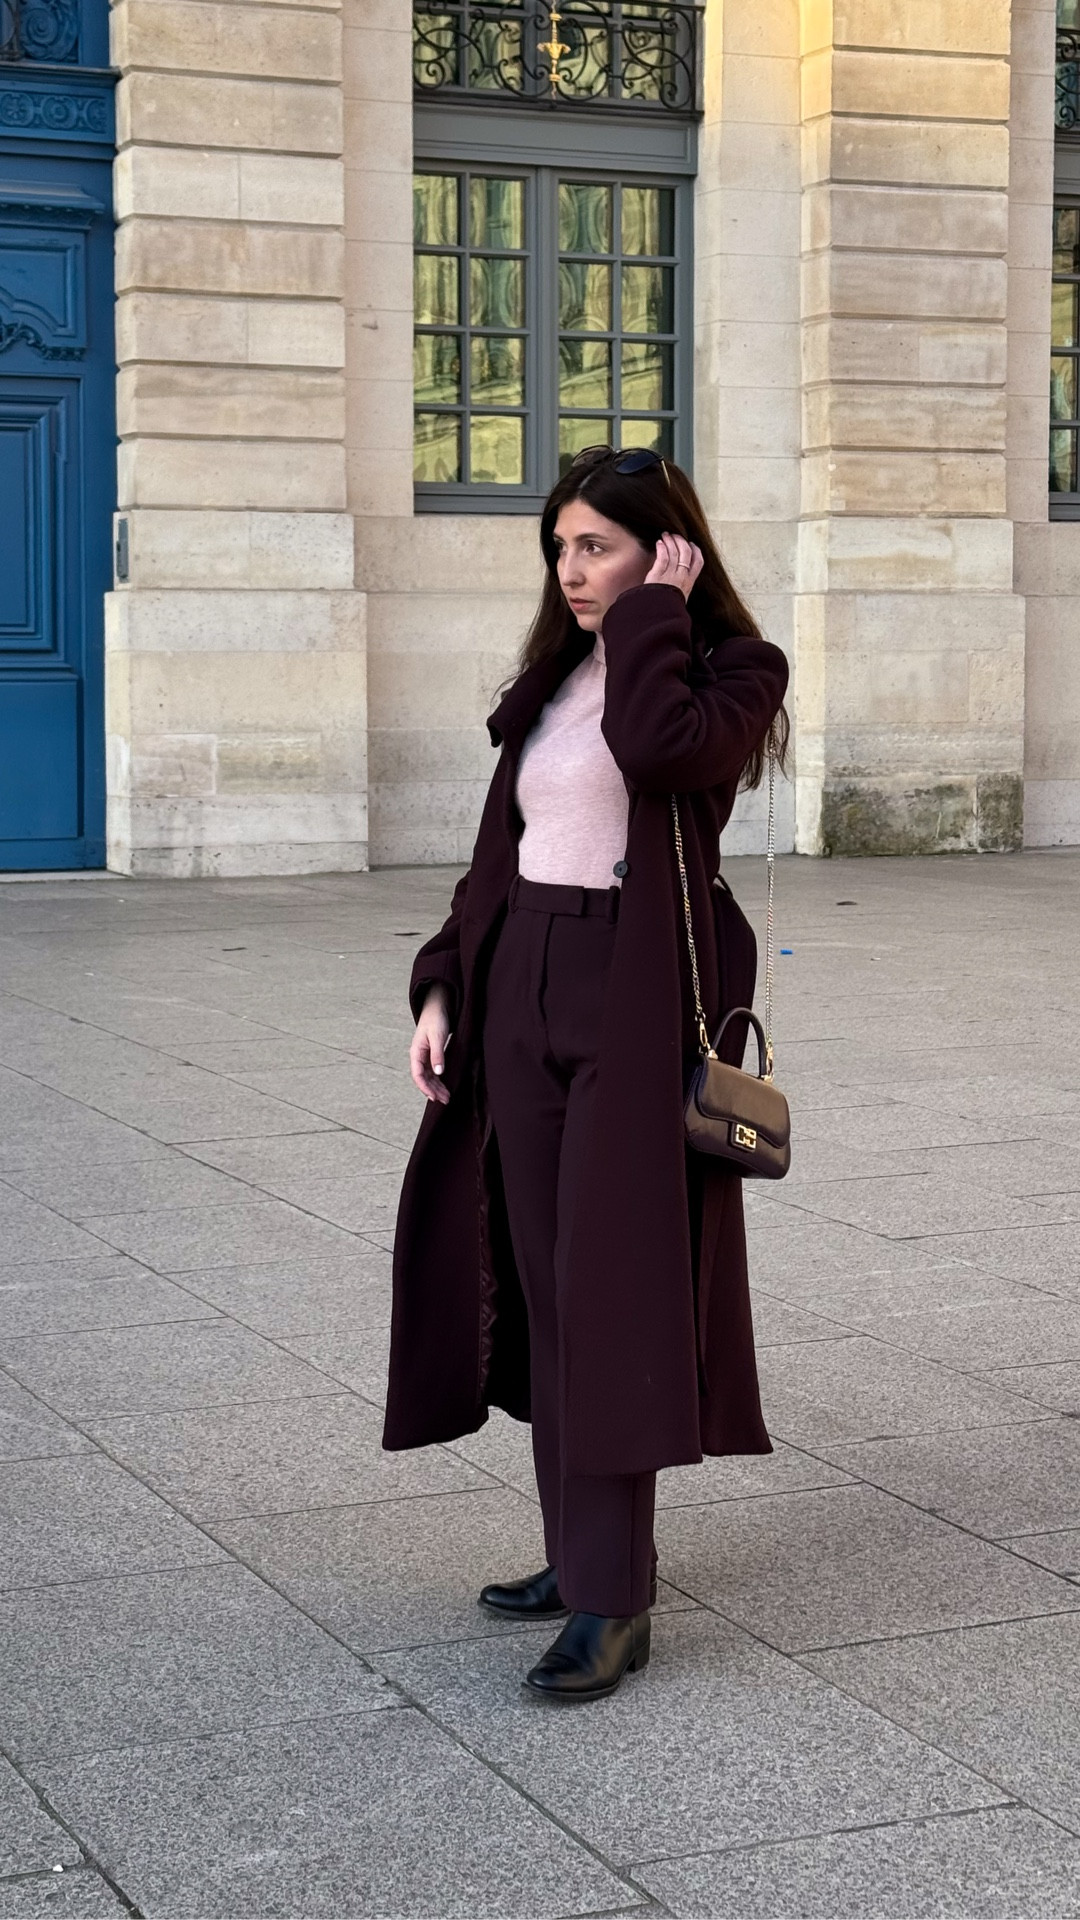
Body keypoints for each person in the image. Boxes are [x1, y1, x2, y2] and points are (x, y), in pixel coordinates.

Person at [382, 445, 790, 1704]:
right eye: (561, 547)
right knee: (546, 1282)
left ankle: (616, 1601)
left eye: (598, 546)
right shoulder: (556, 675)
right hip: (524, 984)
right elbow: (498, 849)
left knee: (613, 1291)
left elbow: (664, 756)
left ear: (669, 550)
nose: (571, 570)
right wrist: (446, 982)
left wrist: (654, 618)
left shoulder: (729, 670)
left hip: (637, 1000)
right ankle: (581, 1554)